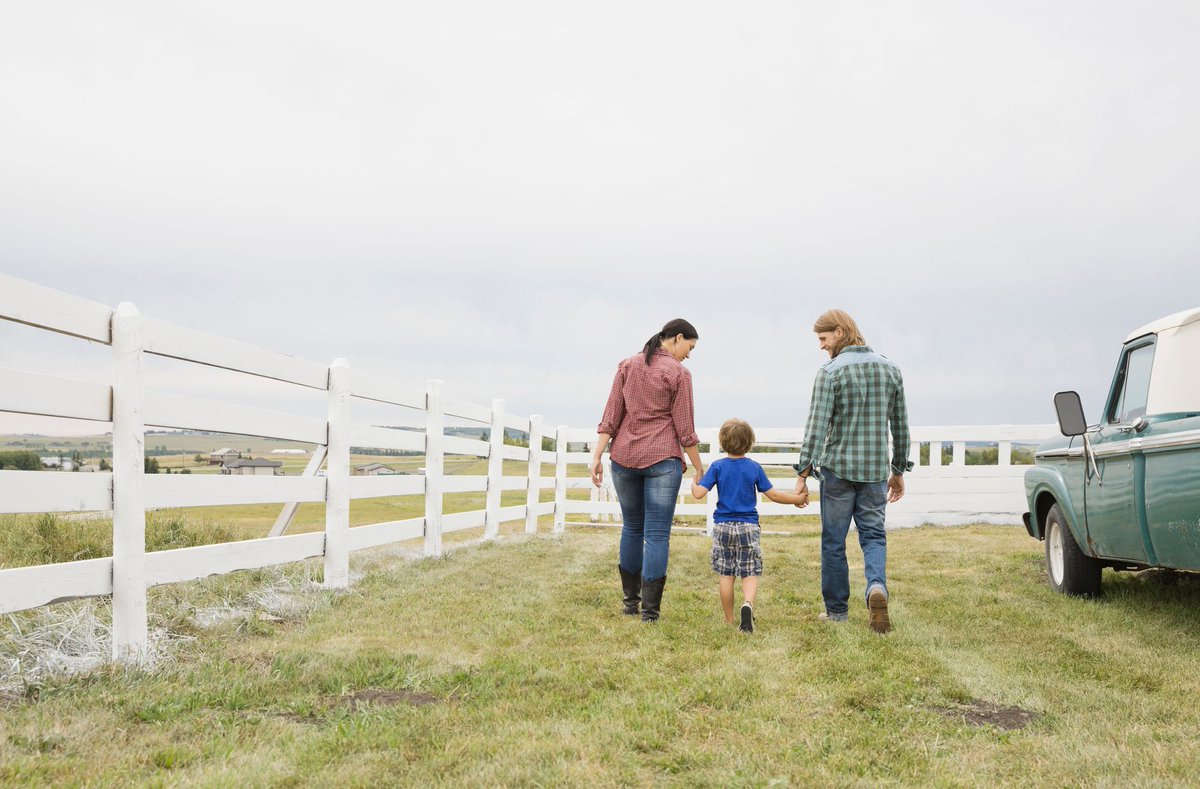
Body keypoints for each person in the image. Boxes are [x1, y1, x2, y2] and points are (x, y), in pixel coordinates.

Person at [793, 309, 912, 634]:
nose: (821, 346)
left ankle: (837, 611)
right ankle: (877, 588)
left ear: (841, 333)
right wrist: (898, 469)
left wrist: (802, 473)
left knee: (834, 541)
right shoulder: (890, 369)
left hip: (838, 472)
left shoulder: (830, 373)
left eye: (823, 338)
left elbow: (815, 429)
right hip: (874, 471)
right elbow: (900, 426)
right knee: (873, 536)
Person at [591, 318, 704, 622]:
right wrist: (698, 467)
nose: (689, 354)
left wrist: (597, 456)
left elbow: (611, 416)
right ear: (677, 338)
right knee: (656, 535)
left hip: (624, 458)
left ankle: (630, 604)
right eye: (689, 347)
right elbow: (685, 429)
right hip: (662, 460)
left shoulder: (627, 366)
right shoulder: (679, 374)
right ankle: (650, 613)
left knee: (631, 528)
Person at [691, 418, 808, 633]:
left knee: (726, 574)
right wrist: (797, 499)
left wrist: (694, 482)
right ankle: (748, 604)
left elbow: (698, 494)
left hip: (723, 526)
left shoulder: (717, 467)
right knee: (749, 571)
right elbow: (773, 495)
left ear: (723, 442)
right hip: (748, 526)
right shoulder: (754, 467)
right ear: (749, 442)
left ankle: (729, 619)